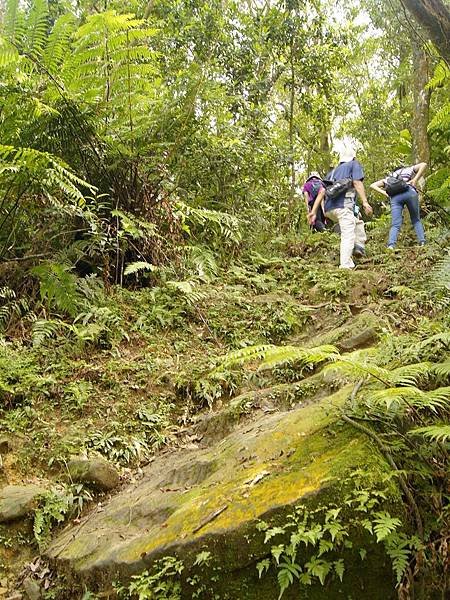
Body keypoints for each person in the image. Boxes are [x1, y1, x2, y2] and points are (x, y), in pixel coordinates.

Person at [308, 147, 373, 269]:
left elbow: (322, 192)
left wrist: (313, 212)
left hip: (329, 210)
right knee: (348, 234)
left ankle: (358, 246)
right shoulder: (354, 164)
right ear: (353, 157)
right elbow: (357, 183)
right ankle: (345, 265)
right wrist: (365, 202)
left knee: (357, 221)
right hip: (343, 207)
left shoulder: (332, 172)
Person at [370, 162, 427, 249]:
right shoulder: (408, 169)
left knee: (395, 224)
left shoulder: (389, 178)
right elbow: (424, 164)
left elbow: (372, 185)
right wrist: (415, 179)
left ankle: (391, 246)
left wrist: (385, 193)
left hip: (395, 198)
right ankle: (422, 242)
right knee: (416, 220)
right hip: (410, 193)